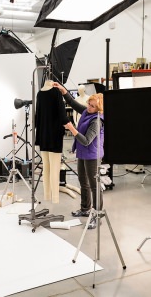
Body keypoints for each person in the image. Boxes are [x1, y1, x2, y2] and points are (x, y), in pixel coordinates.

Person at [53, 82, 104, 229]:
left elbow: (87, 141)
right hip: (82, 153)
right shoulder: (88, 112)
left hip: (92, 154)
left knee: (94, 186)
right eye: (89, 104)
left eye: (92, 106)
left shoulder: (97, 120)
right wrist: (64, 91)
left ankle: (97, 215)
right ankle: (85, 209)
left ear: (98, 108)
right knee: (83, 182)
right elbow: (73, 103)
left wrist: (71, 128)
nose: (88, 107)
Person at [35, 79, 69, 204]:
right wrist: (68, 127)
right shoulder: (56, 92)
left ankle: (47, 195)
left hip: (43, 134)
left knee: (46, 167)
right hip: (54, 134)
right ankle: (55, 198)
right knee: (55, 168)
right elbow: (62, 114)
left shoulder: (39, 94)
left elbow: (37, 115)